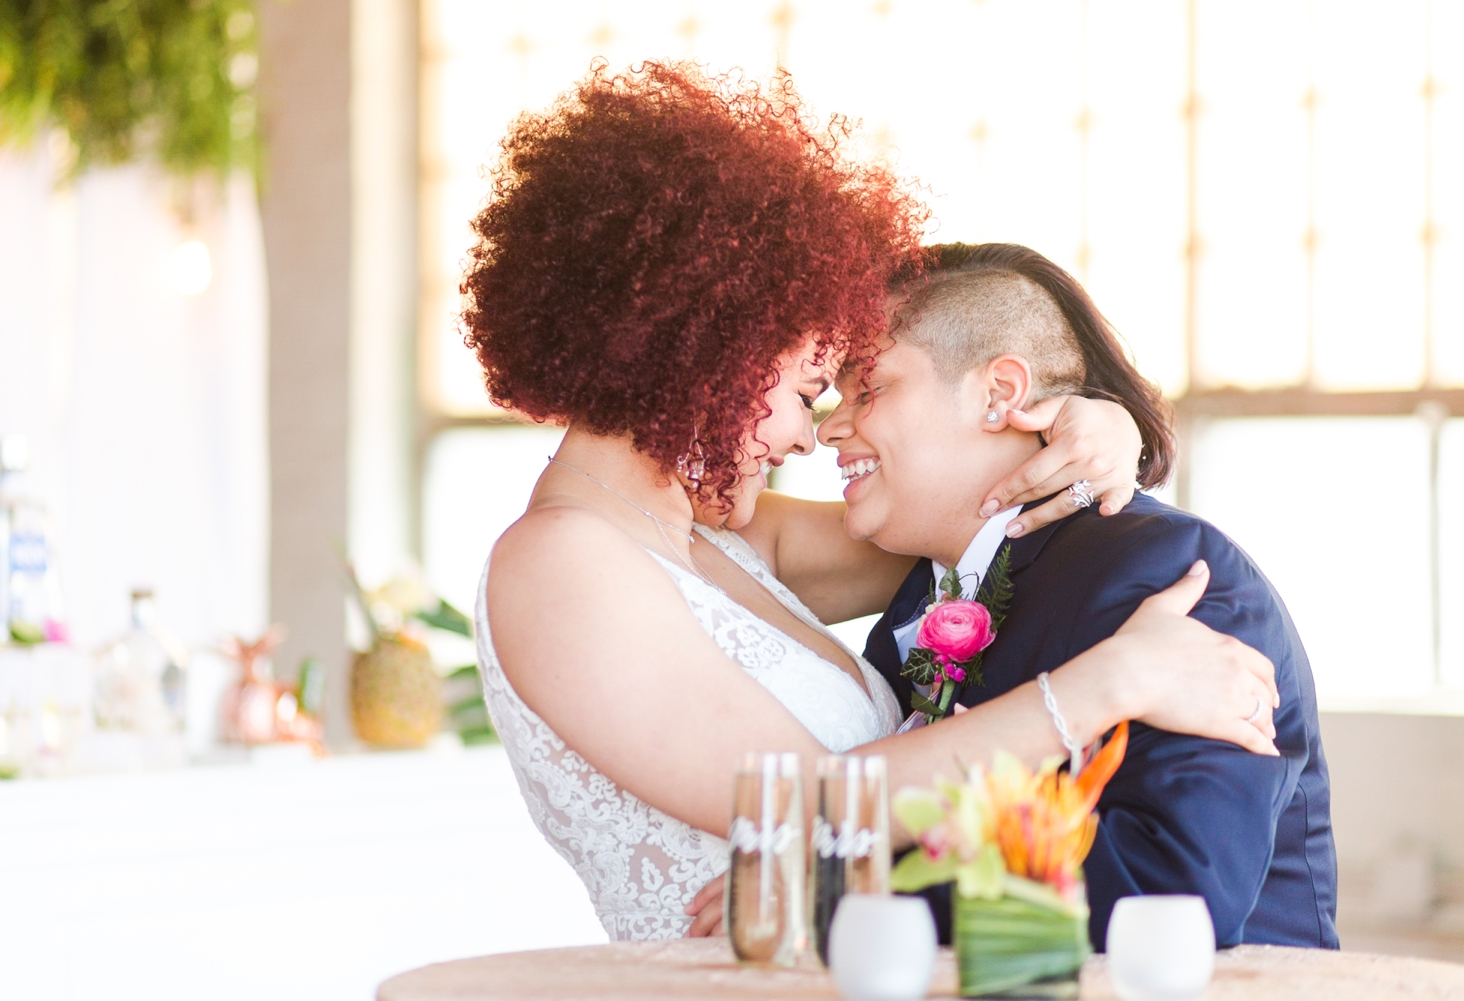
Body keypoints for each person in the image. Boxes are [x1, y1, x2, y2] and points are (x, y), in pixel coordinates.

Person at [466, 61, 1279, 941]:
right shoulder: (559, 562)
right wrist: (1107, 683)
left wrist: (1092, 424)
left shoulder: (726, 534)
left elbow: (971, 513)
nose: (806, 436)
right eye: (808, 389)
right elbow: (812, 814)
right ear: (706, 352)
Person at [816, 242, 1337, 950]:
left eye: (866, 389)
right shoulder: (916, 600)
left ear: (1000, 394)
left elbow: (1169, 893)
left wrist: (843, 887)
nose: (829, 427)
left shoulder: (1164, 572)